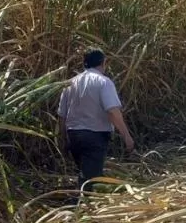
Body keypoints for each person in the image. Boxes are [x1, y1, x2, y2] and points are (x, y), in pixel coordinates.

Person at [57, 49, 134, 192]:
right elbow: (112, 111)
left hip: (73, 135)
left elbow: (62, 115)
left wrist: (63, 139)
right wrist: (126, 136)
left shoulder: (70, 83)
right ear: (103, 63)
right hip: (94, 136)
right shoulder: (104, 82)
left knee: (87, 173)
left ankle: (85, 202)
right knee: (90, 180)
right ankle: (83, 208)